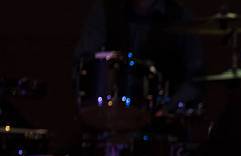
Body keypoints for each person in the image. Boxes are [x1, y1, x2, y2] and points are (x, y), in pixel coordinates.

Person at [74, 0, 204, 114]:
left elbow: (195, 79)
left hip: (161, 125)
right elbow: (83, 62)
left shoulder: (179, 15)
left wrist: (168, 108)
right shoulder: (105, 9)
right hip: (106, 117)